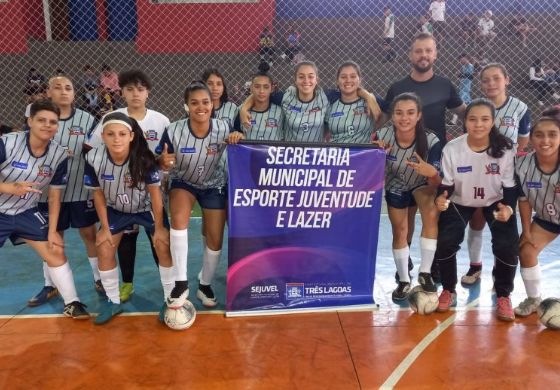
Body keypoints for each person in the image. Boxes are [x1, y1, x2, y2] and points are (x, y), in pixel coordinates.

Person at [383, 33, 465, 281]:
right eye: (418, 51)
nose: (423, 55)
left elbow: (463, 113)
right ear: (411, 54)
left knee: (433, 215)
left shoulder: (445, 85)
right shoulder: (397, 88)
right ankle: (404, 267)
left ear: (435, 53)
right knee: (404, 221)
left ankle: (432, 268)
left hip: (435, 159)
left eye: (428, 50)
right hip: (402, 161)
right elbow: (387, 121)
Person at [156, 81, 244, 308]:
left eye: (205, 102)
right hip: (184, 182)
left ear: (212, 104)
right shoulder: (174, 130)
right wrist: (163, 163)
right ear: (186, 106)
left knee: (215, 238)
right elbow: (161, 161)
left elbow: (241, 141)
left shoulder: (224, 127)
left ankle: (205, 284)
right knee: (178, 220)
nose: (200, 107)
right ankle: (181, 282)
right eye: (194, 103)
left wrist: (237, 136)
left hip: (214, 183)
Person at [86, 70, 171, 303]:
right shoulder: (112, 118)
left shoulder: (161, 120)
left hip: (150, 190)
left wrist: (163, 163)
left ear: (148, 92)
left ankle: (169, 291)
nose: (135, 94)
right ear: (121, 91)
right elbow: (92, 149)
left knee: (160, 240)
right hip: (118, 193)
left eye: (140, 89)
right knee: (125, 240)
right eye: (130, 89)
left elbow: (167, 154)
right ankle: (126, 283)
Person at [0, 100, 89, 319]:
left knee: (55, 249)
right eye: (41, 120)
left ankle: (72, 303)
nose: (47, 125)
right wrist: (8, 187)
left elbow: (55, 195)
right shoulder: (7, 143)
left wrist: (52, 231)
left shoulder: (59, 155)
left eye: (53, 122)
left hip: (26, 211)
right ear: (30, 121)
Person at [434, 99, 519, 322]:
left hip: (495, 201)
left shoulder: (506, 148)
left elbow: (510, 186)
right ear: (465, 122)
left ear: (492, 122)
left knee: (507, 246)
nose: (478, 124)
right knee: (445, 241)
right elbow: (446, 185)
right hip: (461, 201)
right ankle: (449, 290)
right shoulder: (452, 148)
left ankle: (503, 295)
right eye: (472, 119)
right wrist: (440, 199)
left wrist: (509, 208)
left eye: (484, 119)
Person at [27, 76, 100, 307]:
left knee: (89, 234)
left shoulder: (87, 119)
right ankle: (51, 285)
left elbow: (94, 151)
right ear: (48, 92)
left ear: (74, 93)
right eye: (57, 87)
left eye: (68, 87)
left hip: (80, 189)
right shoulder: (44, 119)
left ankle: (99, 278)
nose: (63, 91)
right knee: (52, 238)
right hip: (47, 192)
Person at [462, 63, 532, 286]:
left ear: (507, 80)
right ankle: (475, 266)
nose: (491, 83)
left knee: (502, 223)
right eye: (485, 80)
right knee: (477, 220)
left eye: (496, 78)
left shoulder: (520, 107)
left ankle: (499, 270)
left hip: (505, 178)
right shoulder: (474, 107)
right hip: (478, 174)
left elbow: (522, 141)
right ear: (480, 84)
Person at [373, 93, 442, 300]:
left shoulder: (432, 140)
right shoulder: (382, 136)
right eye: (399, 113)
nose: (404, 118)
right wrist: (377, 155)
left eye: (410, 113)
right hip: (396, 185)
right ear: (392, 116)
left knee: (431, 213)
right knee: (400, 229)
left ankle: (425, 273)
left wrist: (431, 172)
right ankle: (404, 280)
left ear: (419, 115)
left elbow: (438, 182)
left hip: (422, 185)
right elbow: (371, 169)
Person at [514, 109, 560, 316]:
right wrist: (526, 231)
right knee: (526, 249)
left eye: (552, 134)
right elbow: (524, 201)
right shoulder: (522, 165)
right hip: (547, 219)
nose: (545, 140)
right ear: (531, 138)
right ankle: (534, 299)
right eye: (539, 135)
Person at [326, 61, 381, 143]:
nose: (348, 80)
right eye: (343, 77)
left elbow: (384, 115)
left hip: (362, 153)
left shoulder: (370, 100)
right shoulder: (330, 101)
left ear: (360, 80)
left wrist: (368, 97)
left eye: (353, 76)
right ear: (337, 81)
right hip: (337, 153)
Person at [233, 72, 284, 141]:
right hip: (249, 151)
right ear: (251, 88)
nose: (261, 91)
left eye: (266, 87)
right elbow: (235, 132)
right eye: (257, 87)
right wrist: (236, 135)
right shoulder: (240, 111)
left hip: (273, 151)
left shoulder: (281, 110)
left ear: (272, 89)